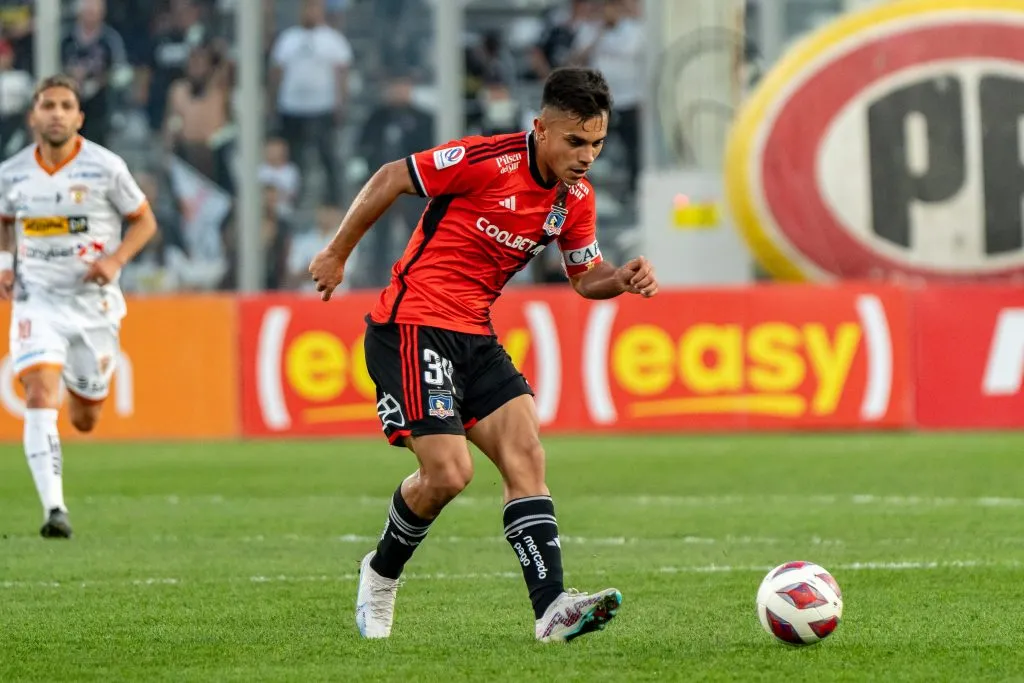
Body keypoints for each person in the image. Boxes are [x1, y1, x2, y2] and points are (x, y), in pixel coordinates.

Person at [308, 67, 658, 643]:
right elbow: (393, 176)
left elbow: (583, 276)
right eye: (575, 141)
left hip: (474, 333)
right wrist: (336, 252)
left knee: (526, 455)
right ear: (541, 129)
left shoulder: (575, 198)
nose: (587, 155)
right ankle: (380, 573)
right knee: (448, 474)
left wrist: (619, 277)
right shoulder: (486, 160)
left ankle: (550, 611)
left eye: (597, 143)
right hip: (412, 323)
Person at [0, 74, 157, 538]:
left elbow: (145, 221)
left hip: (94, 306)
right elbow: (5, 223)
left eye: (66, 105)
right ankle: (55, 510)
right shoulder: (12, 172)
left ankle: (75, 384)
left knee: (86, 418)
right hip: (37, 301)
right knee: (39, 395)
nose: (56, 113)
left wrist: (116, 259)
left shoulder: (105, 167)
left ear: (79, 117)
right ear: (33, 115)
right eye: (48, 105)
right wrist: (5, 263)